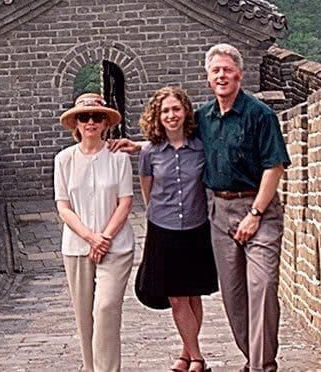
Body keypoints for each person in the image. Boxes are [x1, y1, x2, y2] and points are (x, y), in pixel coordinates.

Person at [113, 43, 290, 372]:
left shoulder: (259, 114)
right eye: (215, 71)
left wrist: (255, 215)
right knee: (234, 296)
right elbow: (172, 137)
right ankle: (252, 358)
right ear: (208, 79)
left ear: (240, 73)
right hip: (219, 214)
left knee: (262, 285)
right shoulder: (204, 118)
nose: (222, 75)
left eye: (227, 69)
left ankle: (262, 366)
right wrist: (140, 147)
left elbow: (275, 167)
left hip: (258, 209)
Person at [136, 87, 217, 372]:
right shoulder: (149, 152)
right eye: (165, 111)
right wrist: (162, 213)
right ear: (157, 117)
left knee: (192, 293)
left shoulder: (201, 147)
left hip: (196, 227)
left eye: (176, 109)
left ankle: (185, 354)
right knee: (176, 296)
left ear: (185, 112)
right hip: (163, 229)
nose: (171, 115)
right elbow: (148, 191)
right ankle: (197, 358)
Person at [55, 93, 135, 372]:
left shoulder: (118, 157)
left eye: (97, 117)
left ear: (105, 123)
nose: (91, 122)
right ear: (75, 123)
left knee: (106, 308)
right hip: (77, 246)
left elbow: (125, 201)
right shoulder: (63, 160)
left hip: (116, 245)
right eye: (84, 117)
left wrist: (104, 239)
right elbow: (63, 206)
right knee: (84, 317)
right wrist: (90, 237)